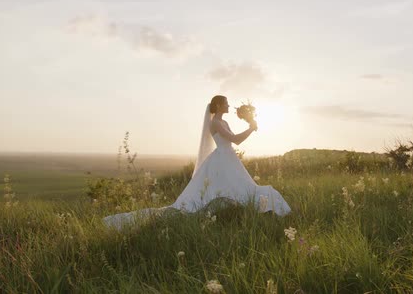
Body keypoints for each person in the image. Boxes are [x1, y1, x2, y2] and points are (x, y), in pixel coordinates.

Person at [103, 95, 291, 230]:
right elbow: (236, 140)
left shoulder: (222, 122)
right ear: (218, 105)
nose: (229, 105)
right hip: (223, 160)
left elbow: (233, 141)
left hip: (229, 158)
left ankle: (248, 214)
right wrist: (251, 128)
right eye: (226, 103)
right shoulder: (216, 123)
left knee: (239, 189)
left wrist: (250, 125)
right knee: (235, 190)